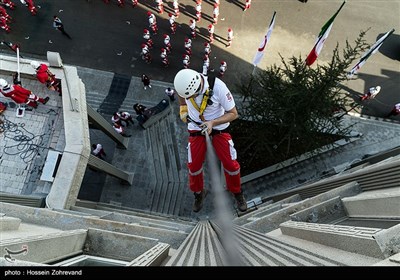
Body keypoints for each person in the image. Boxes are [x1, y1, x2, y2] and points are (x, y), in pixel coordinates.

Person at [174, 68, 247, 213]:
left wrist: (212, 123)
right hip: (196, 126)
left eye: (191, 97)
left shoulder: (218, 87)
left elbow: (233, 114)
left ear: (197, 88)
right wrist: (183, 107)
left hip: (218, 126)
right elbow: (181, 94)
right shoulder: (184, 81)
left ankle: (237, 192)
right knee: (193, 166)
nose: (189, 99)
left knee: (231, 165)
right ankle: (199, 192)